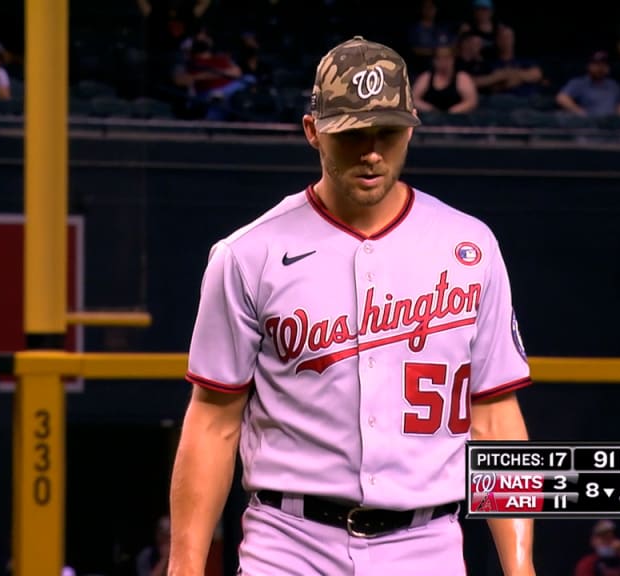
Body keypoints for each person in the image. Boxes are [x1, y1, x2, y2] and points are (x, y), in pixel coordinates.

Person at [169, 35, 534, 576]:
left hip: (427, 545)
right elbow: (213, 422)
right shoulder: (248, 253)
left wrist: (521, 567)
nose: (371, 151)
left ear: (411, 127)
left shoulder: (471, 246)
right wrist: (185, 566)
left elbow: (496, 417)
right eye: (351, 133)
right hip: (289, 545)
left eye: (386, 132)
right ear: (313, 130)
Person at [557, 51, 620, 117]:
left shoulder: (613, 85)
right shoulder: (579, 83)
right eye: (596, 64)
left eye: (603, 64)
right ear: (589, 66)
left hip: (611, 125)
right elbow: (562, 98)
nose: (600, 68)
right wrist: (580, 113)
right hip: (591, 126)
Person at [412, 42, 478, 113]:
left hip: (457, 118)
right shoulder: (426, 77)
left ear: (453, 59)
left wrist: (452, 112)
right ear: (434, 61)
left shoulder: (462, 77)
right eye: (440, 59)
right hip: (431, 118)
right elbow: (413, 99)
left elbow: (471, 101)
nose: (443, 62)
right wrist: (431, 110)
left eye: (447, 58)